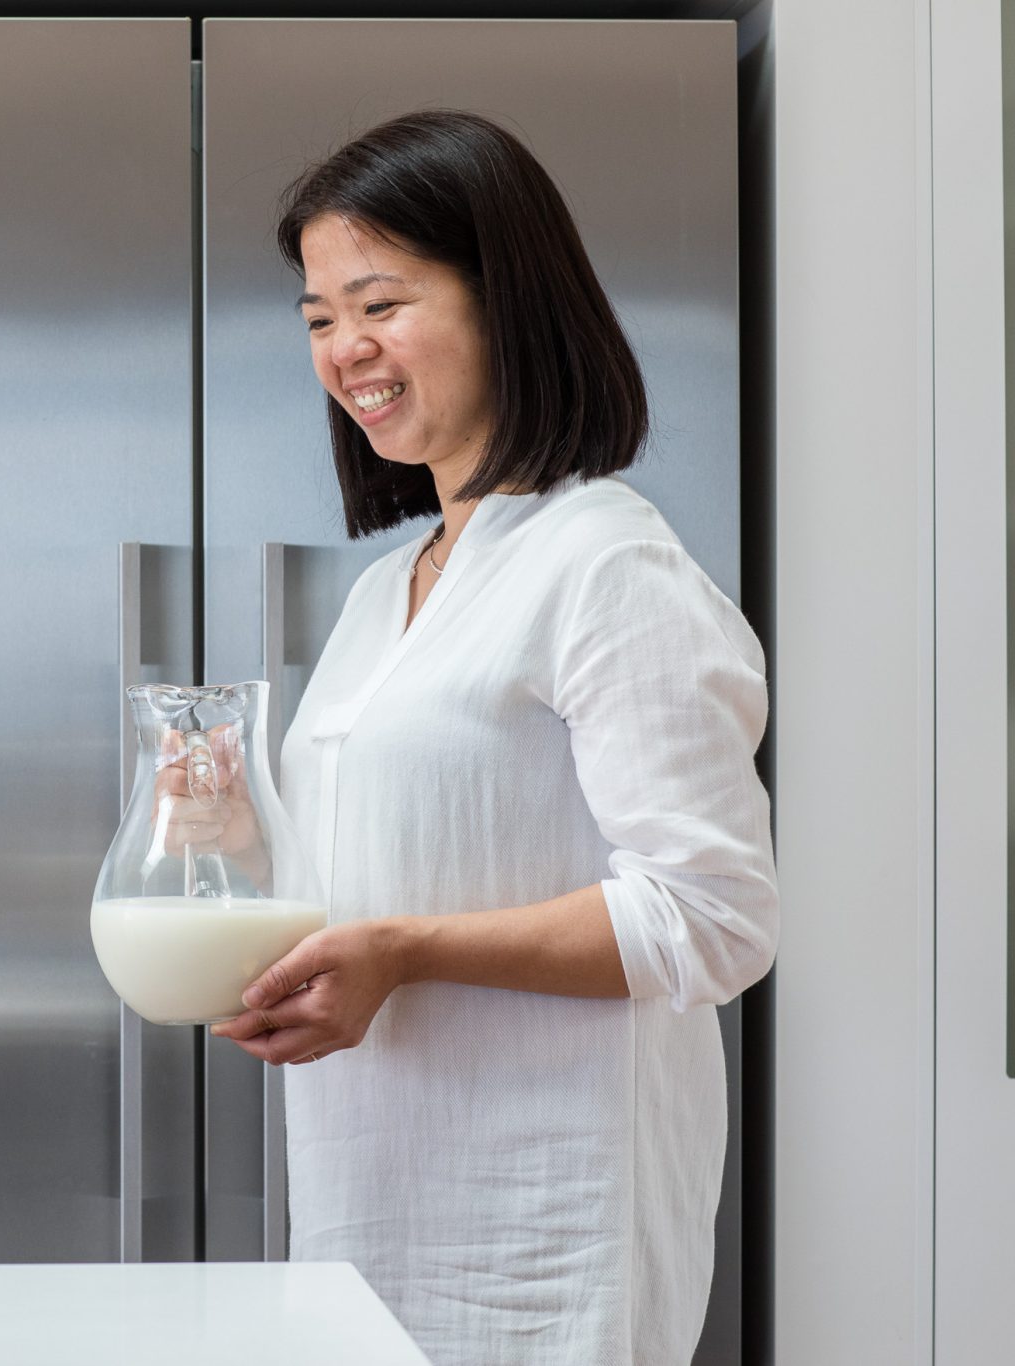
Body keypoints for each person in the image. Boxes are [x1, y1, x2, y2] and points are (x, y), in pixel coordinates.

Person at [193, 110, 777, 1363]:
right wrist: (234, 830)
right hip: (367, 1211)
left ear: (503, 298)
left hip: (542, 1231)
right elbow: (379, 867)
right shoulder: (386, 591)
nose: (345, 349)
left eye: (379, 303)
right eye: (315, 317)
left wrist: (404, 953)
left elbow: (712, 913)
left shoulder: (604, 561)